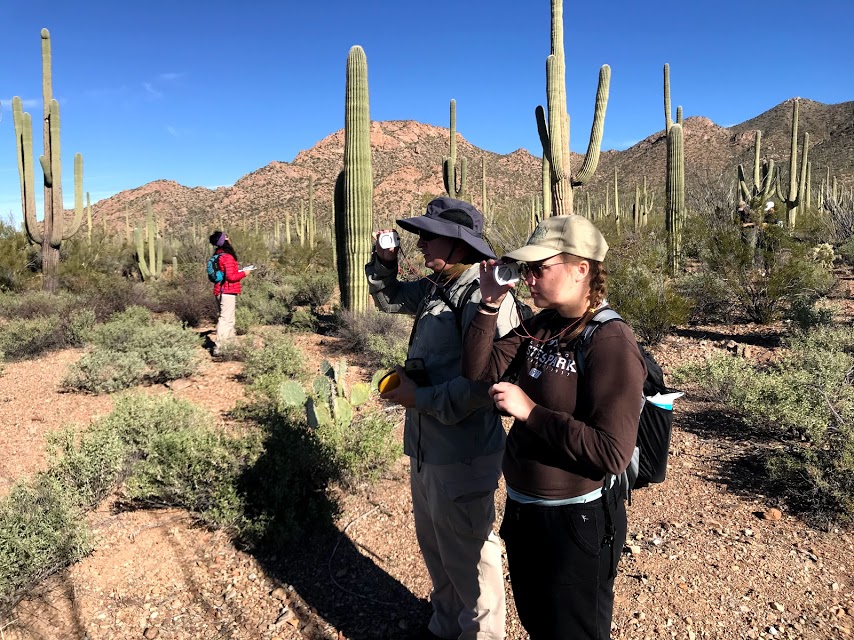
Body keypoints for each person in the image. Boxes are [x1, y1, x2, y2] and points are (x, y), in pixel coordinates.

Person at [462, 215, 646, 640]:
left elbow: (612, 452)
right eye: (526, 269)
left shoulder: (610, 340)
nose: (528, 279)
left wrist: (531, 412)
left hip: (574, 523)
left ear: (581, 269)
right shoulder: (541, 326)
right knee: (539, 624)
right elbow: (477, 374)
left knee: (573, 631)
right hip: (525, 511)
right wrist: (489, 305)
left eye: (538, 268)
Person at [366, 197, 519, 640]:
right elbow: (390, 299)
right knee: (437, 546)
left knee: (471, 555)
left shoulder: (484, 295)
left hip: (463, 450)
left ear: (457, 244)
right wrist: (384, 261)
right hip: (427, 445)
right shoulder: (439, 285)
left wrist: (420, 396)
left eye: (427, 236)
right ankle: (447, 627)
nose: (419, 245)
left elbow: (483, 383)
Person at [209, 230, 252, 356]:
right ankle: (220, 348)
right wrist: (245, 273)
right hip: (227, 291)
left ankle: (231, 345)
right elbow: (231, 277)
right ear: (224, 241)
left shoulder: (217, 256)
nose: (229, 238)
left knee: (229, 319)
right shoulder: (227, 257)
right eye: (226, 237)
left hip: (220, 290)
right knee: (225, 319)